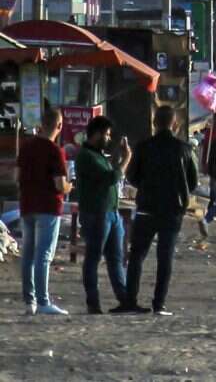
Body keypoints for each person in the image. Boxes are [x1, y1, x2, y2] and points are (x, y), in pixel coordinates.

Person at [120, 106, 198, 316]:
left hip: (147, 208)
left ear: (154, 123)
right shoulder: (185, 149)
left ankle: (130, 300)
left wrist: (146, 188)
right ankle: (159, 303)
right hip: (173, 209)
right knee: (165, 257)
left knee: (137, 254)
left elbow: (132, 177)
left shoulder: (144, 147)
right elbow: (192, 181)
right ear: (174, 124)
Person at [75, 116, 132, 314]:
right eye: (106, 134)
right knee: (93, 258)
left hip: (111, 213)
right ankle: (93, 302)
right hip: (96, 213)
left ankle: (125, 299)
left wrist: (118, 159)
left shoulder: (100, 155)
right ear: (96, 134)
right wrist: (126, 159)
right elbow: (111, 178)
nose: (108, 139)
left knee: (116, 258)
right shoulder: (86, 156)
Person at [17, 108, 71, 316]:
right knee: (44, 255)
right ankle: (43, 301)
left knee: (28, 254)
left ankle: (28, 301)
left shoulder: (26, 147)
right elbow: (59, 184)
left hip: (27, 204)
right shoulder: (55, 151)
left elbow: (17, 176)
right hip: (48, 206)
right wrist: (69, 187)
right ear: (59, 126)